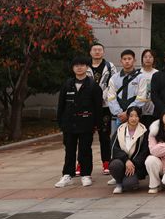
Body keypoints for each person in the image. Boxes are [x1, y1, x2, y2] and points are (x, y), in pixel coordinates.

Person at [55, 56, 102, 188]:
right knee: (69, 150)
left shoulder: (93, 86)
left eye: (82, 65)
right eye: (76, 65)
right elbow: (61, 105)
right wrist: (60, 122)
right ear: (73, 68)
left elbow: (98, 107)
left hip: (86, 123)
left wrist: (98, 124)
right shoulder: (67, 84)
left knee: (85, 150)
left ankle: (86, 175)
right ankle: (67, 175)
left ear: (87, 67)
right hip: (69, 124)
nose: (79, 67)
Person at [86, 42, 117, 176]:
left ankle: (106, 162)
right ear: (90, 52)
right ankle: (82, 163)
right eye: (95, 50)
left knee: (104, 136)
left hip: (104, 107)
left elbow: (114, 84)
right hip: (88, 107)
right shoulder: (85, 66)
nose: (97, 52)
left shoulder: (110, 66)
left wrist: (103, 96)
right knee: (85, 136)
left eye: (100, 50)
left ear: (103, 52)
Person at [109, 106, 149, 194]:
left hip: (135, 165)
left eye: (136, 116)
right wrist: (126, 160)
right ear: (127, 117)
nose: (133, 119)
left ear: (139, 117)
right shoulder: (120, 129)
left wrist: (132, 163)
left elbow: (144, 152)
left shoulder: (144, 131)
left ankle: (129, 180)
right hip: (122, 162)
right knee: (115, 165)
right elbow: (114, 148)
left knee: (130, 184)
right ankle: (119, 183)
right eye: (131, 116)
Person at [106, 49, 143, 132]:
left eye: (129, 59)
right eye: (124, 59)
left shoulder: (141, 78)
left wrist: (128, 113)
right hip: (117, 117)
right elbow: (111, 97)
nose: (127, 61)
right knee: (116, 138)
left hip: (134, 116)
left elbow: (142, 98)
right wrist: (119, 113)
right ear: (121, 61)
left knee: (134, 139)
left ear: (134, 60)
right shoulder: (114, 78)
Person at [136, 49, 158, 128]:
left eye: (150, 57)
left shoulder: (158, 73)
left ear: (154, 59)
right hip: (139, 108)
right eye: (145, 57)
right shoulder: (137, 73)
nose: (148, 59)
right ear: (142, 59)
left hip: (153, 108)